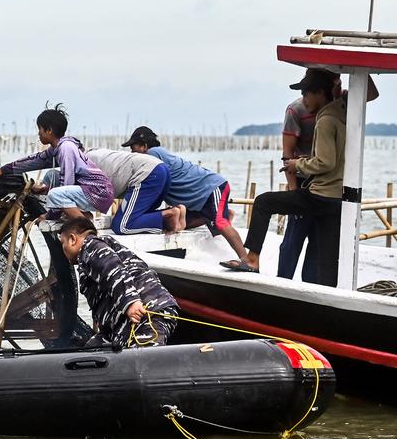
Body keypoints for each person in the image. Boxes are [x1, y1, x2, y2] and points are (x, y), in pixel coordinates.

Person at [221, 69, 346, 287]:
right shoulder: (343, 111)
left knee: (263, 202)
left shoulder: (325, 119)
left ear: (319, 92)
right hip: (337, 198)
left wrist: (298, 164)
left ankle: (252, 260)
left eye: (306, 93)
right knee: (324, 256)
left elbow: (325, 162)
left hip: (320, 194)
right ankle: (326, 295)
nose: (304, 99)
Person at [279, 69, 378, 281]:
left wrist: (358, 67)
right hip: (303, 178)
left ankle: (311, 287)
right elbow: (287, 154)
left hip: (329, 184)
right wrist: (293, 190)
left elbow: (371, 92)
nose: (305, 97)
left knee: (318, 243)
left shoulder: (341, 103)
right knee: (293, 239)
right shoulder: (296, 109)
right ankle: (282, 281)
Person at [124, 126, 247, 260]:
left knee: (220, 223)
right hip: (199, 199)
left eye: (133, 147)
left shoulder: (151, 155)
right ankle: (221, 214)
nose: (131, 152)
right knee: (180, 223)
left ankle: (246, 260)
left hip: (211, 187)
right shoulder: (156, 154)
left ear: (144, 145)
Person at [59, 216, 178, 347]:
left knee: (143, 360)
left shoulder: (90, 246)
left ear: (72, 239)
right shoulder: (91, 253)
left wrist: (130, 302)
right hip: (122, 326)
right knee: (91, 350)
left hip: (147, 313)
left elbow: (113, 268)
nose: (63, 251)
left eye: (62, 244)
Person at [0, 103, 114, 221]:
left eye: (40, 129)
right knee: (51, 175)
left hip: (98, 193)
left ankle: (83, 225)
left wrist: (50, 215)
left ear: (49, 130)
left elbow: (67, 183)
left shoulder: (66, 148)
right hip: (88, 190)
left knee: (55, 195)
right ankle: (82, 215)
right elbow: (35, 160)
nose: (38, 133)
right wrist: (5, 169)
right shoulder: (56, 148)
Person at [83, 147, 185, 234]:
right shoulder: (93, 153)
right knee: (142, 215)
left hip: (147, 174)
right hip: (161, 169)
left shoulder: (81, 165)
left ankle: (169, 215)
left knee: (122, 226)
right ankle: (176, 211)